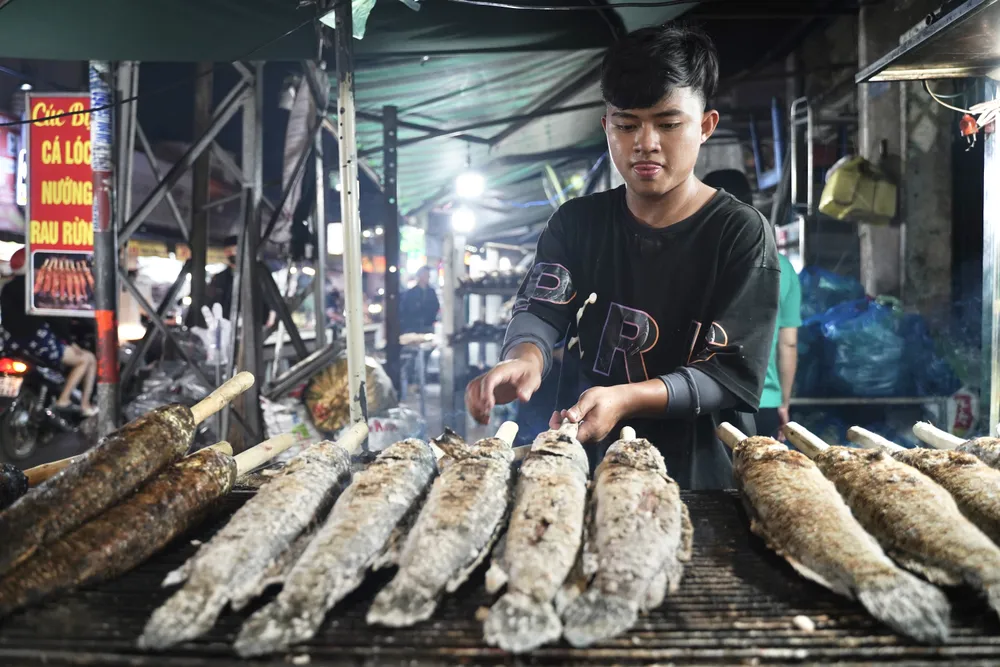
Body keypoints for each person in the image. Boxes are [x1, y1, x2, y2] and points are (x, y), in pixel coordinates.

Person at [465, 24, 780, 489]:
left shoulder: (739, 233)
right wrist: (526, 357)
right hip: (585, 457)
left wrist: (627, 398)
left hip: (700, 472)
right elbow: (542, 308)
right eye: (626, 123)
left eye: (668, 124)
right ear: (606, 126)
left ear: (706, 126)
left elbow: (729, 374)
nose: (645, 142)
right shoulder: (577, 223)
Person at [702, 169, 802, 440]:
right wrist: (783, 402)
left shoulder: (696, 265)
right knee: (757, 478)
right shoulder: (783, 269)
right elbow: (788, 343)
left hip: (701, 397)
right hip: (761, 399)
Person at [0, 249, 97, 416]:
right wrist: (71, 343)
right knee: (87, 359)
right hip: (38, 343)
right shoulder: (38, 288)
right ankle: (69, 401)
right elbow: (55, 320)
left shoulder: (8, 287)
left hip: (11, 344)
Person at [401, 266, 440, 334]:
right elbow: (406, 308)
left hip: (428, 325)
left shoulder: (431, 291)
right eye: (426, 275)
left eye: (428, 275)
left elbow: (436, 306)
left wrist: (430, 316)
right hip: (413, 326)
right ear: (420, 276)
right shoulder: (411, 292)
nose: (428, 277)